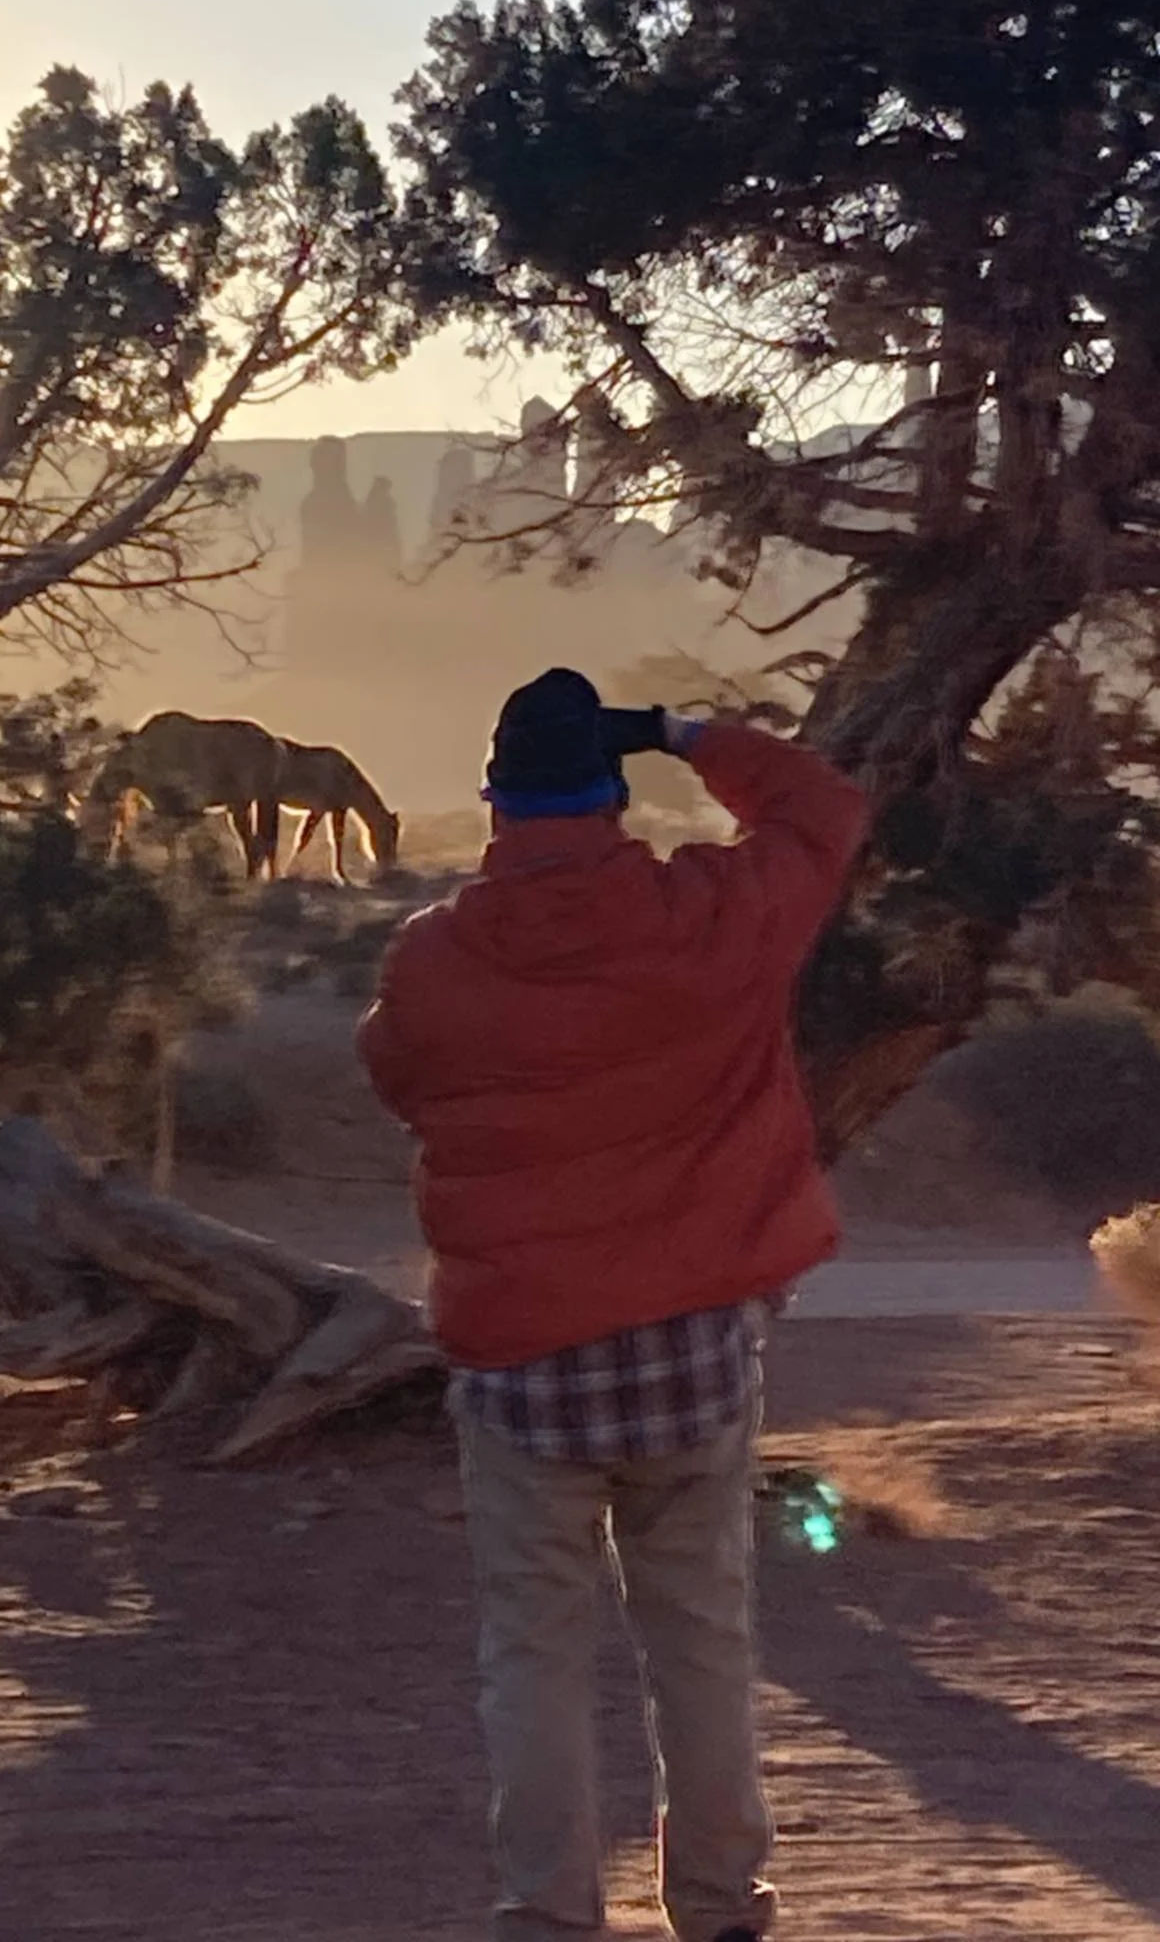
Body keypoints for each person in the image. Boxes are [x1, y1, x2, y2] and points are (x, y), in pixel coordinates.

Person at [356, 668, 869, 1942]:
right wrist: (687, 735)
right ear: (610, 789)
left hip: (521, 1358)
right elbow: (822, 812)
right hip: (691, 1352)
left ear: (494, 803)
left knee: (531, 1652)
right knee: (699, 1634)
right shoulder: (713, 913)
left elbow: (396, 1076)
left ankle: (545, 1910)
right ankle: (720, 1906)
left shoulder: (431, 956)